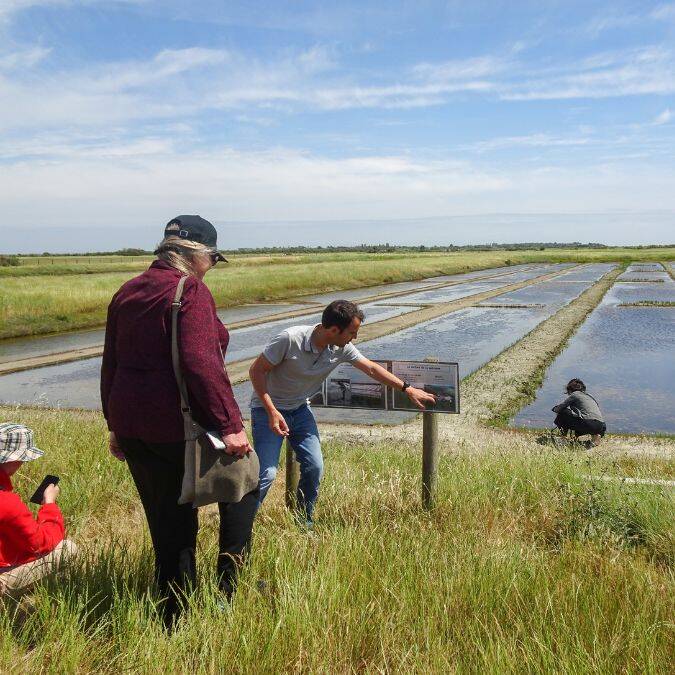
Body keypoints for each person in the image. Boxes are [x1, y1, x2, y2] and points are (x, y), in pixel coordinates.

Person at [100, 215, 258, 626]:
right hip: (177, 427)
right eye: (213, 259)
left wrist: (114, 425)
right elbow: (201, 364)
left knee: (164, 522)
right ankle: (195, 610)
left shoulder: (127, 291)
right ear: (196, 255)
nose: (211, 268)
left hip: (133, 426)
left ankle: (171, 609)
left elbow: (111, 364)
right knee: (240, 486)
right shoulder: (191, 291)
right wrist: (230, 425)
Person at [249, 299, 436, 526]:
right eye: (352, 332)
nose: (354, 338)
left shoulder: (341, 347)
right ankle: (241, 528)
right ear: (334, 329)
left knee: (315, 466)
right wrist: (271, 410)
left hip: (299, 410)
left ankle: (303, 520)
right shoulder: (289, 339)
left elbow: (371, 368)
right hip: (268, 410)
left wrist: (407, 389)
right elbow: (256, 371)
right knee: (267, 474)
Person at [0, 423, 76, 595]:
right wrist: (49, 504)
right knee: (67, 549)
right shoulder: (6, 502)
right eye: (23, 459)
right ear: (12, 459)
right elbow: (42, 544)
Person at [552, 378, 606, 447]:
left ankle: (563, 439)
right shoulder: (590, 396)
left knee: (563, 412)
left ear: (569, 389)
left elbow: (560, 408)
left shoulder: (575, 395)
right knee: (582, 417)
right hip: (601, 426)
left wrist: (554, 409)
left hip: (589, 424)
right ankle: (596, 436)